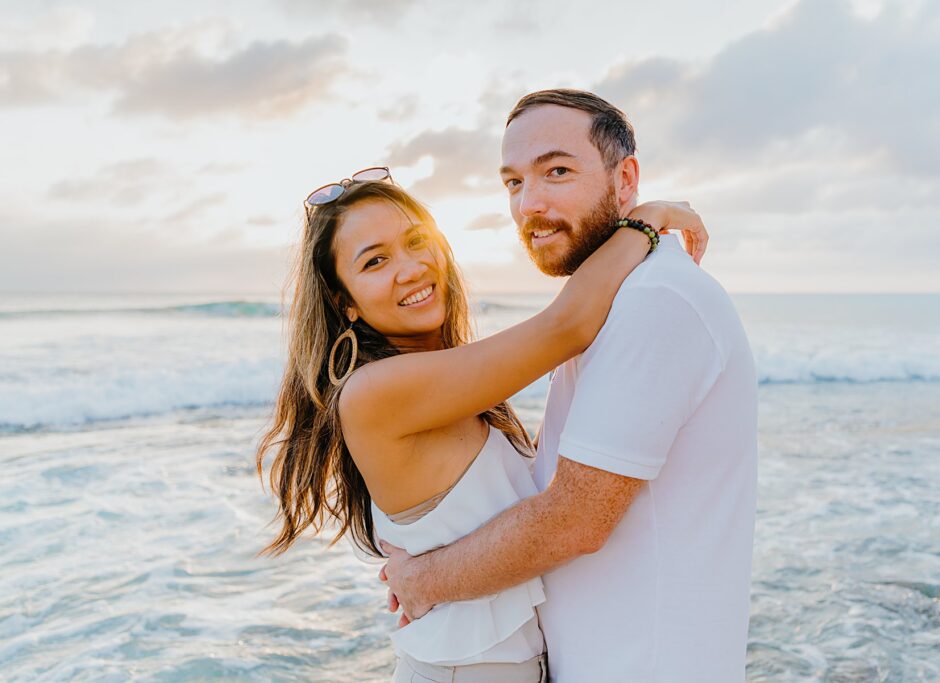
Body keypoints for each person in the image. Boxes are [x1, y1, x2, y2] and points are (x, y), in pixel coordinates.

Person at [256, 167, 707, 681]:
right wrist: (649, 221)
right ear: (346, 303)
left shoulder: (446, 380)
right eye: (376, 261)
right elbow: (570, 325)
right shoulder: (373, 392)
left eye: (416, 241)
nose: (411, 268)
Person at [380, 90, 758, 682]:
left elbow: (575, 518)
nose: (530, 203)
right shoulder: (611, 302)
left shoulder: (654, 301)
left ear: (624, 177)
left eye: (557, 171)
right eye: (512, 182)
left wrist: (422, 580)